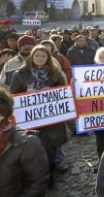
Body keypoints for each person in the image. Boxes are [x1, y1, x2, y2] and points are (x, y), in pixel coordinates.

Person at [9, 45, 68, 176]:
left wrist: (52, 91)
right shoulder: (20, 74)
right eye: (37, 55)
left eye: (43, 56)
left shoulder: (55, 72)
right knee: (33, 146)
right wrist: (25, 93)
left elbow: (64, 92)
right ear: (32, 57)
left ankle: (51, 173)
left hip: (52, 117)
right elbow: (12, 95)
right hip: (30, 118)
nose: (40, 58)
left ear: (48, 58)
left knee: (52, 146)